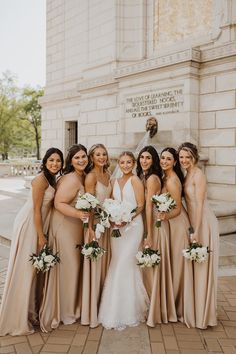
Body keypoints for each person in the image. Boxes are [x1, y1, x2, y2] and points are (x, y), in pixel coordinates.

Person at [0, 148, 63, 336]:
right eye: (51, 160)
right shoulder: (40, 180)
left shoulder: (52, 179)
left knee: (36, 270)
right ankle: (18, 318)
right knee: (27, 269)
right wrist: (41, 236)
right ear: (44, 162)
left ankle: (31, 312)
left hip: (39, 224)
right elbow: (36, 210)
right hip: (30, 224)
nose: (55, 164)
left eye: (58, 161)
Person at [39, 144, 90, 332]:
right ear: (71, 161)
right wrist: (80, 214)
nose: (81, 160)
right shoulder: (70, 179)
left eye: (84, 156)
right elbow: (59, 203)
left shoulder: (81, 176)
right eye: (77, 158)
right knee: (69, 268)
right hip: (65, 226)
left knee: (73, 267)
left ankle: (71, 307)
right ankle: (64, 311)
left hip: (75, 226)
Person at [98, 151, 149, 330]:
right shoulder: (114, 182)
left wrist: (127, 217)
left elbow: (141, 205)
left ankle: (130, 309)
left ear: (134, 163)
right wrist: (113, 217)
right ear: (118, 164)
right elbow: (111, 202)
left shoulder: (135, 181)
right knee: (117, 262)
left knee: (126, 263)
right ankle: (112, 308)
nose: (126, 165)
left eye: (129, 162)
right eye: (122, 162)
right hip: (116, 227)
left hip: (133, 226)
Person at [178, 142, 219, 329]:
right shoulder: (187, 175)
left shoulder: (198, 175)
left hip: (203, 223)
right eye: (181, 157)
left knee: (202, 266)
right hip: (194, 223)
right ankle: (195, 309)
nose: (184, 160)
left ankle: (203, 314)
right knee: (195, 266)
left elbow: (200, 205)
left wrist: (195, 229)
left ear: (194, 157)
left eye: (187, 157)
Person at [137, 146, 177, 326]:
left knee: (152, 266)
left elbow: (147, 207)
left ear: (153, 161)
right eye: (142, 157)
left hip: (153, 224)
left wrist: (149, 233)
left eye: (148, 158)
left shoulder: (152, 178)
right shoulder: (143, 176)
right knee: (146, 266)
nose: (144, 161)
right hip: (146, 222)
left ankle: (155, 308)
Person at [159, 147, 195, 328]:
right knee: (173, 264)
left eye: (168, 159)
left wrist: (162, 216)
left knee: (178, 265)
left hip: (177, 224)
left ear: (174, 162)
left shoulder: (172, 180)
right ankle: (171, 303)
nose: (164, 161)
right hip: (170, 224)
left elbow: (178, 209)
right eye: (162, 158)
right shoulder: (165, 177)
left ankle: (179, 306)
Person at [81, 143, 112, 328]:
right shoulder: (91, 177)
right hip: (95, 226)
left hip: (107, 226)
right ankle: (91, 309)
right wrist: (90, 228)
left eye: (104, 154)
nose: (101, 157)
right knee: (95, 265)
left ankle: (103, 304)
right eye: (97, 154)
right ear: (91, 158)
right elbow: (89, 203)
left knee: (105, 265)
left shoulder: (108, 175)